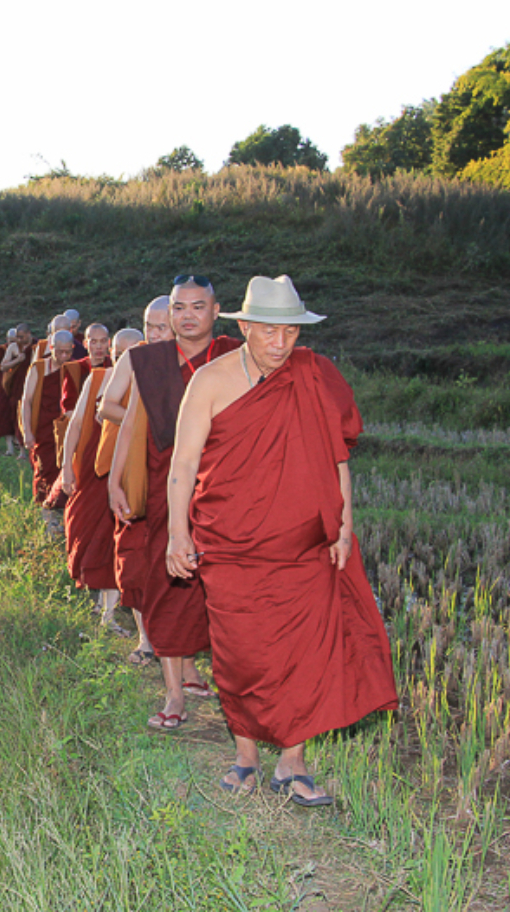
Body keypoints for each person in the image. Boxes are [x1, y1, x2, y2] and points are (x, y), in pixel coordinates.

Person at [166, 275, 398, 803]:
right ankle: (246, 756)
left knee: (304, 654)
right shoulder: (210, 381)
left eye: (290, 333)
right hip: (231, 547)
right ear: (245, 326)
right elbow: (183, 463)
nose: (280, 344)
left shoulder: (314, 375)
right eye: (269, 332)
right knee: (240, 653)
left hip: (304, 550)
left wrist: (343, 526)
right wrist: (177, 534)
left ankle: (292, 762)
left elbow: (337, 455)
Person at [108, 278, 240, 720]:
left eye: (197, 307)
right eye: (179, 308)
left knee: (222, 589)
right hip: (166, 484)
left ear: (215, 311)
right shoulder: (149, 360)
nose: (186, 316)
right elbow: (132, 422)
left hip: (223, 486)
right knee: (166, 585)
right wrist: (115, 481)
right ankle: (174, 694)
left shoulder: (234, 356)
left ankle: (230, 685)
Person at [97, 297, 171, 665]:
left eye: (162, 327)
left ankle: (181, 643)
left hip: (182, 468)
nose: (154, 335)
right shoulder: (135, 358)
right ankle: (146, 641)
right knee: (138, 554)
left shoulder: (196, 361)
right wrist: (143, 419)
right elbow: (105, 406)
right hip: (140, 463)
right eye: (149, 326)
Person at [60, 326, 141, 631]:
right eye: (119, 354)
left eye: (131, 353)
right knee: (97, 538)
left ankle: (109, 613)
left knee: (118, 543)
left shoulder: (154, 381)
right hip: (98, 473)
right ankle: (106, 611)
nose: (124, 360)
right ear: (112, 354)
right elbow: (77, 424)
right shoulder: (98, 380)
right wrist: (67, 467)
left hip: (134, 475)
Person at [20, 329, 72, 506]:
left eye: (68, 352)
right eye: (60, 351)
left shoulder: (75, 369)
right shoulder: (39, 368)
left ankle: (58, 510)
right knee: (43, 470)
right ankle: (41, 509)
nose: (64, 356)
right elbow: (26, 401)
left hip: (64, 432)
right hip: (43, 432)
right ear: (51, 348)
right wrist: (27, 431)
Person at [0, 323, 32, 458]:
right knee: (9, 416)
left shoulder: (35, 346)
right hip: (5, 384)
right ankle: (11, 448)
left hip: (27, 384)